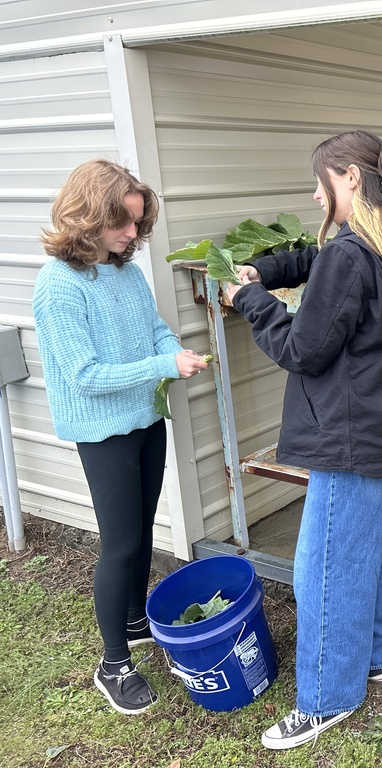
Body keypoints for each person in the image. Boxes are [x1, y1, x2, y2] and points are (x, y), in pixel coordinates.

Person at [223, 130, 382, 750]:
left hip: (344, 430)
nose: (312, 192)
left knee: (323, 568)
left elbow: (302, 349)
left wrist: (251, 300)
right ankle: (375, 654)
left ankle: (325, 697)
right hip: (377, 421)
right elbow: (316, 264)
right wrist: (266, 268)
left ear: (348, 177)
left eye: (318, 181)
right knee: (363, 551)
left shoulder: (350, 254)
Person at [33, 159, 210, 714]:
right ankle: (113, 665)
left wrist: (172, 349)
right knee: (121, 544)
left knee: (141, 529)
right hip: (103, 431)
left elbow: (153, 328)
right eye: (123, 224)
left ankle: (136, 621)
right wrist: (160, 364)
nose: (133, 235)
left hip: (146, 420)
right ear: (88, 217)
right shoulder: (57, 286)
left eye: (137, 223)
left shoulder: (124, 272)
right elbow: (84, 376)